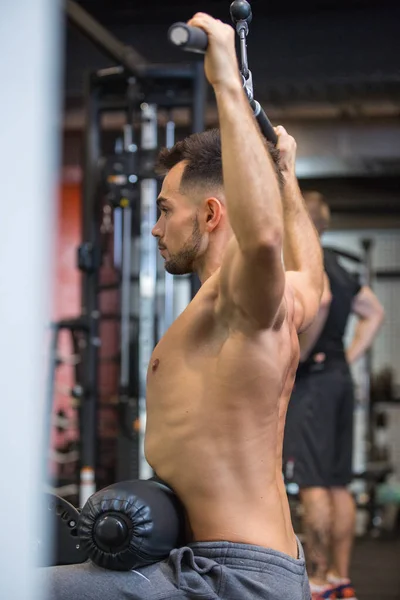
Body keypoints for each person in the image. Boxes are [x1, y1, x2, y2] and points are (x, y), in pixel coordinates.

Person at [43, 13, 324, 600]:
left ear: (212, 214)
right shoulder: (271, 304)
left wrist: (226, 84)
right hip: (241, 567)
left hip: (225, 577)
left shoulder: (237, 299)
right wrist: (285, 175)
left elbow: (268, 240)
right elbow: (312, 279)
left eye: (166, 208)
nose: (153, 226)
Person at [284, 193, 385, 600]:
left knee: (313, 481)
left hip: (315, 382)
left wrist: (300, 357)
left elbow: (320, 300)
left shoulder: (311, 265)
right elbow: (374, 313)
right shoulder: (342, 265)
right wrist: (348, 355)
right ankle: (341, 578)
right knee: (339, 483)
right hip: (340, 377)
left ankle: (320, 579)